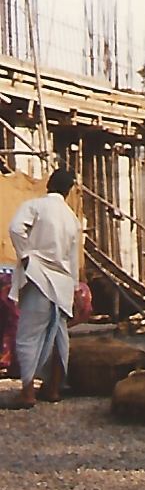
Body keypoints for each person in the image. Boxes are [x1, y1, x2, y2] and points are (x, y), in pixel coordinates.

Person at [5, 169, 80, 409]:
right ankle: (53, 388)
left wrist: (26, 256)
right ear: (68, 191)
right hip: (63, 280)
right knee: (59, 337)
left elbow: (16, 228)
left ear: (49, 184)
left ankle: (28, 393)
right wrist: (75, 288)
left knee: (29, 335)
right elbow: (73, 258)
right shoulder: (72, 219)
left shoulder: (34, 206)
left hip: (38, 277)